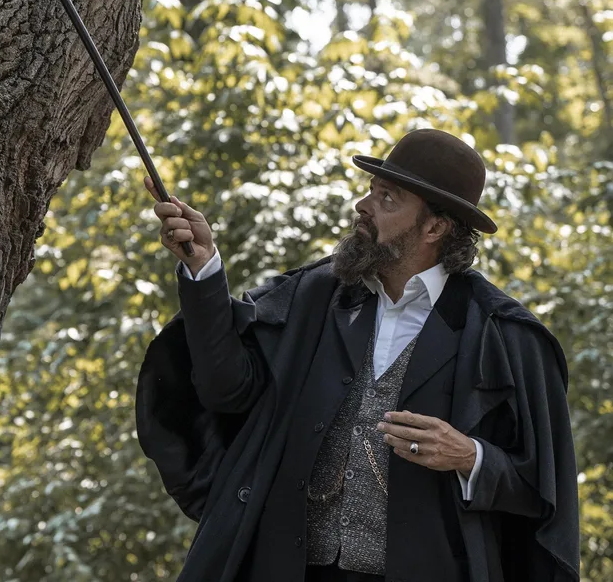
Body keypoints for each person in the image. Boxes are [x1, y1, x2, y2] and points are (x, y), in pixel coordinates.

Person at [135, 128, 579, 582]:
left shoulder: (500, 334)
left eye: (387, 199)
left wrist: (470, 457)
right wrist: (204, 267)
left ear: (435, 228)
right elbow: (227, 389)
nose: (363, 206)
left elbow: (543, 489)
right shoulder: (314, 297)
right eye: (371, 191)